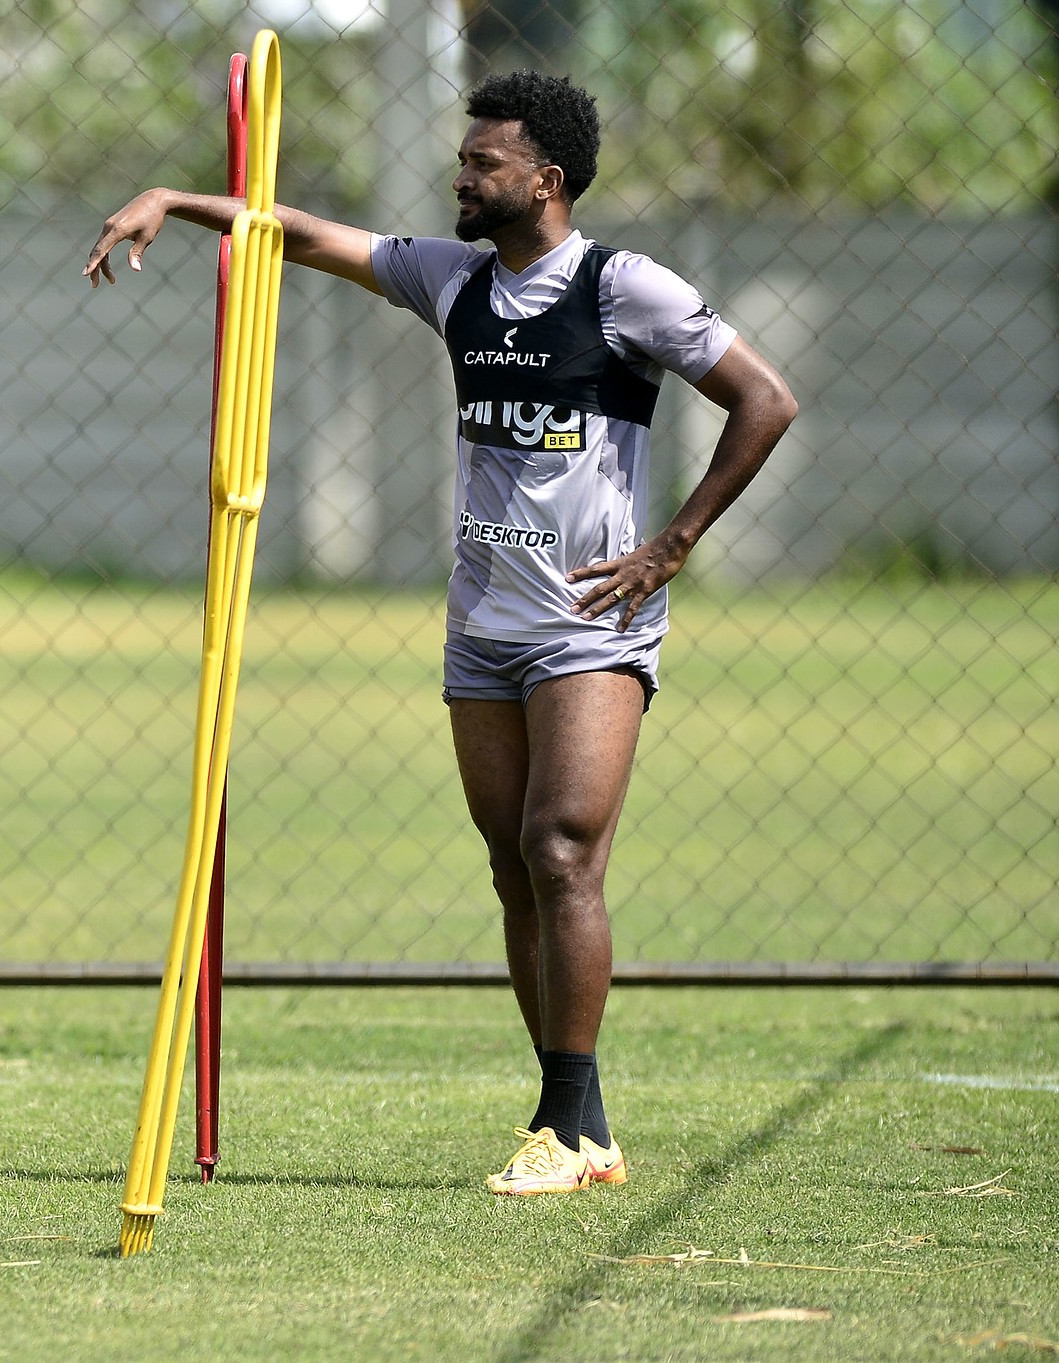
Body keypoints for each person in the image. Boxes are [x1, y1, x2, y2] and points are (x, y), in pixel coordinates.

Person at [83, 71, 797, 1195]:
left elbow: (766, 398)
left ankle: (562, 1129)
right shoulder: (452, 277)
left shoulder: (622, 287)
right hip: (482, 625)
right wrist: (176, 199)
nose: (460, 177)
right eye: (463, 161)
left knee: (562, 848)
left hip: (587, 622)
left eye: (481, 163)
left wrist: (670, 546)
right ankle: (582, 1124)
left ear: (544, 181)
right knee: (516, 870)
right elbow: (302, 235)